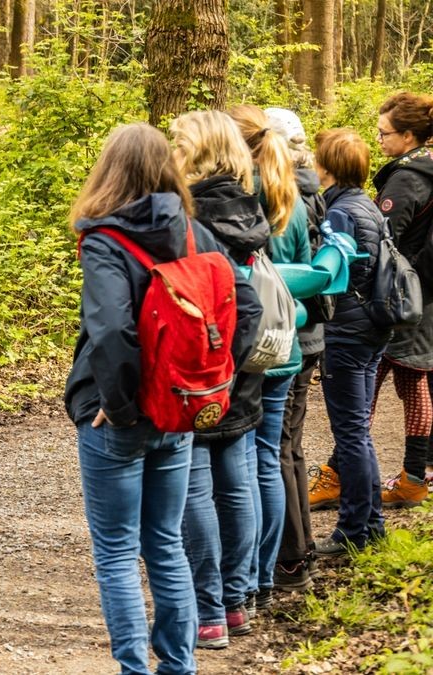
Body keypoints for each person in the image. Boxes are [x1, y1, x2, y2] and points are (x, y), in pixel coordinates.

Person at [66, 122, 260, 675]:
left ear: (109, 170)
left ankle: (134, 668)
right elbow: (246, 310)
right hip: (179, 411)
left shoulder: (105, 240)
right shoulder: (196, 232)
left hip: (121, 419)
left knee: (117, 552)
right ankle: (179, 667)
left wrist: (123, 406)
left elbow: (110, 332)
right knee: (166, 545)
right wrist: (212, 379)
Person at [170, 109, 268, 647]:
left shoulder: (195, 214)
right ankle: (237, 601)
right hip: (241, 366)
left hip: (205, 365)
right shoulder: (247, 203)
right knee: (237, 484)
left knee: (197, 490)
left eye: (179, 142)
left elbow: (233, 301)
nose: (171, 150)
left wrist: (217, 367)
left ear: (198, 151)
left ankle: (208, 610)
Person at [312, 93, 433, 512]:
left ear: (408, 135)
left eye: (385, 133)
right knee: (406, 381)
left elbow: (386, 246)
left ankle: (357, 479)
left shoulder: (406, 178)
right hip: (417, 297)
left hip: (393, 299)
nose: (379, 139)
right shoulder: (426, 169)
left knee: (372, 397)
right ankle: (412, 476)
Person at [228, 104, 309, 616]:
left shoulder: (243, 194)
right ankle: (261, 578)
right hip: (286, 343)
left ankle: (245, 580)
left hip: (249, 343)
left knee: (243, 462)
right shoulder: (292, 195)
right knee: (268, 460)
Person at [312, 128, 391, 557]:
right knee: (357, 431)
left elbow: (330, 275)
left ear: (329, 166)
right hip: (370, 328)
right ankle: (371, 524)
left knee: (350, 434)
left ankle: (352, 530)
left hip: (346, 330)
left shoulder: (339, 212)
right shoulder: (368, 206)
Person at [264, 107, 325, 592]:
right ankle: (298, 550)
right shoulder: (307, 192)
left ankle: (288, 557)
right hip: (305, 335)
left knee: (279, 449)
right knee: (291, 447)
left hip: (284, 339)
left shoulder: (280, 199)